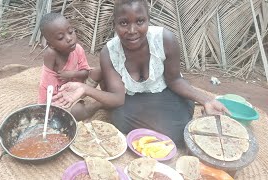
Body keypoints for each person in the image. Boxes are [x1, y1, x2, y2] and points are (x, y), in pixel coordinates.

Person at [53, 0, 229, 146]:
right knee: (120, 117)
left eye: (139, 21)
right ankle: (105, 106)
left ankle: (107, 109)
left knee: (179, 125)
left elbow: (175, 80)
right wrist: (85, 89)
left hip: (166, 94)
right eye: (123, 23)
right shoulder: (109, 52)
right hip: (132, 99)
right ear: (114, 24)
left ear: (148, 20)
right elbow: (118, 98)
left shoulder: (165, 40)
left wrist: (206, 100)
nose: (132, 31)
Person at [38, 12, 99, 118]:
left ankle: (109, 96)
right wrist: (44, 107)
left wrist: (71, 74)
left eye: (71, 32)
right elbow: (46, 85)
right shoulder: (51, 55)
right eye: (61, 38)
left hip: (80, 87)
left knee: (99, 71)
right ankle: (99, 105)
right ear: (51, 45)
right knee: (77, 111)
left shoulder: (78, 49)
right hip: (63, 95)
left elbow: (86, 73)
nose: (69, 38)